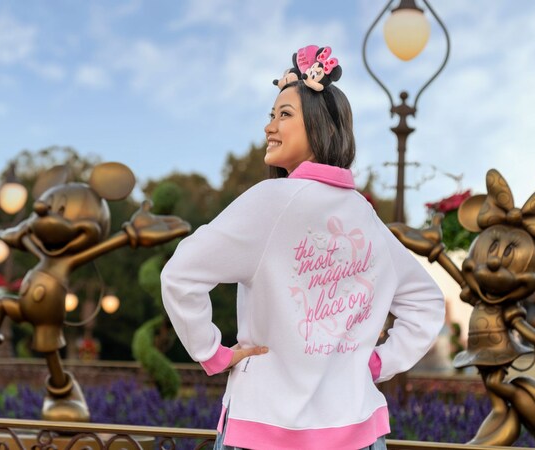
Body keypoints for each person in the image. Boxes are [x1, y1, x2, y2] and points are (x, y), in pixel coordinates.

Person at [161, 45, 445, 450]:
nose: (269, 127)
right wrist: (378, 362)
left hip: (265, 431)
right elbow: (427, 303)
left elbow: (180, 273)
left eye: (284, 114)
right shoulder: (367, 221)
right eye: (271, 115)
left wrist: (211, 352)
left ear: (319, 126)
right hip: (357, 432)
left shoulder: (270, 202)